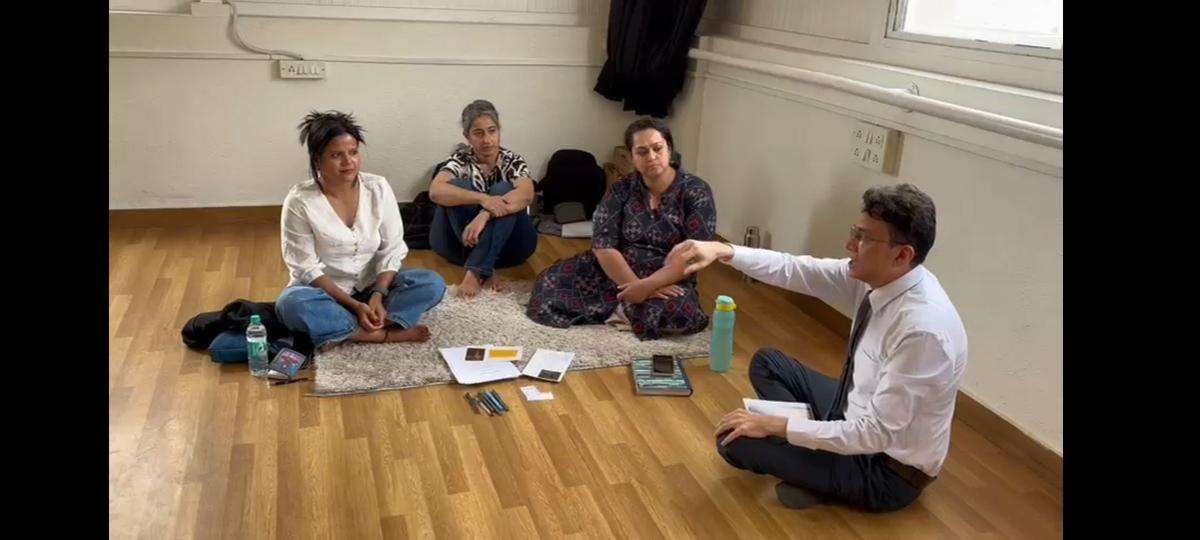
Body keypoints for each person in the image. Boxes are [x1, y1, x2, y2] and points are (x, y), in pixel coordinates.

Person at [668, 183, 967, 512]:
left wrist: (776, 426)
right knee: (768, 363)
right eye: (856, 232)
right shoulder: (883, 279)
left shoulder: (923, 331)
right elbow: (795, 268)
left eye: (864, 238)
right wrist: (723, 251)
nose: (850, 244)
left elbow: (876, 435)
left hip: (884, 469)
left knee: (733, 443)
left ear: (902, 255)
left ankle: (814, 465)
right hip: (855, 411)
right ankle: (812, 459)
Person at [525, 118, 716, 340]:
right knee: (547, 282)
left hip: (667, 279)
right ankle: (626, 309)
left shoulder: (697, 192)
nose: (651, 157)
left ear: (670, 149)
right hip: (615, 272)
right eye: (642, 151)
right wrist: (637, 286)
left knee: (683, 314)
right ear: (632, 156)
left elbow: (694, 255)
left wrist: (649, 286)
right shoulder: (620, 189)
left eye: (657, 148)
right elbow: (603, 245)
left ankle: (619, 309)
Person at [275, 111, 446, 348]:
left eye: (353, 152)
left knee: (431, 282)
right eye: (336, 155)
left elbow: (392, 248)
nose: (348, 162)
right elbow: (305, 267)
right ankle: (380, 333)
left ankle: (346, 328)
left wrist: (378, 294)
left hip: (371, 286)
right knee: (291, 305)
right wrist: (355, 306)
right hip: (326, 293)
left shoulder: (378, 187)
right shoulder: (299, 201)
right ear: (317, 159)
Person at [429, 100, 538, 297]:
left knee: (504, 190)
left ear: (499, 131)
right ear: (467, 136)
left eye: (492, 131)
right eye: (478, 133)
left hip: (510, 249)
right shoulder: (460, 159)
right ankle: (484, 267)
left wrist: (486, 213)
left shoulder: (513, 160)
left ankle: (476, 268)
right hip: (459, 245)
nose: (487, 140)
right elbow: (435, 191)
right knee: (458, 187)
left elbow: (527, 193)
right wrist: (482, 199)